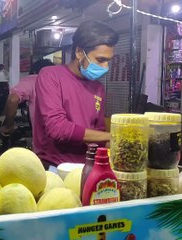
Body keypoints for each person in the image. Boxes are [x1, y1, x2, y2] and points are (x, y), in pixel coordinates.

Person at [33, 20, 119, 169]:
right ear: (79, 52)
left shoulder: (98, 88)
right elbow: (57, 128)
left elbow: (97, 133)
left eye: (108, 61)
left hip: (87, 166)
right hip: (55, 166)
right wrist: (115, 136)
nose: (105, 67)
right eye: (100, 60)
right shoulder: (50, 76)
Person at [0, 59, 54, 136]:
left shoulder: (33, 79)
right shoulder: (63, 82)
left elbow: (12, 100)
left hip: (44, 141)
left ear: (34, 71)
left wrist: (8, 125)